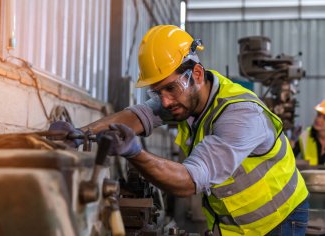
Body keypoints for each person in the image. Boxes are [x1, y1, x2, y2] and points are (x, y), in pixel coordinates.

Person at [51, 25, 309, 235]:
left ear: (196, 73)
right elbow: (139, 115)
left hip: (279, 220)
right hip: (236, 224)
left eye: (170, 89)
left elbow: (189, 181)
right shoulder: (186, 98)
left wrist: (135, 153)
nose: (164, 101)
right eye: (156, 91)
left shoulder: (240, 116)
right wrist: (80, 134)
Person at [293, 100, 325, 165]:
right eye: (318, 115)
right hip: (309, 175)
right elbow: (289, 158)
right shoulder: (304, 136)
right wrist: (291, 143)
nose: (318, 120)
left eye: (324, 118)